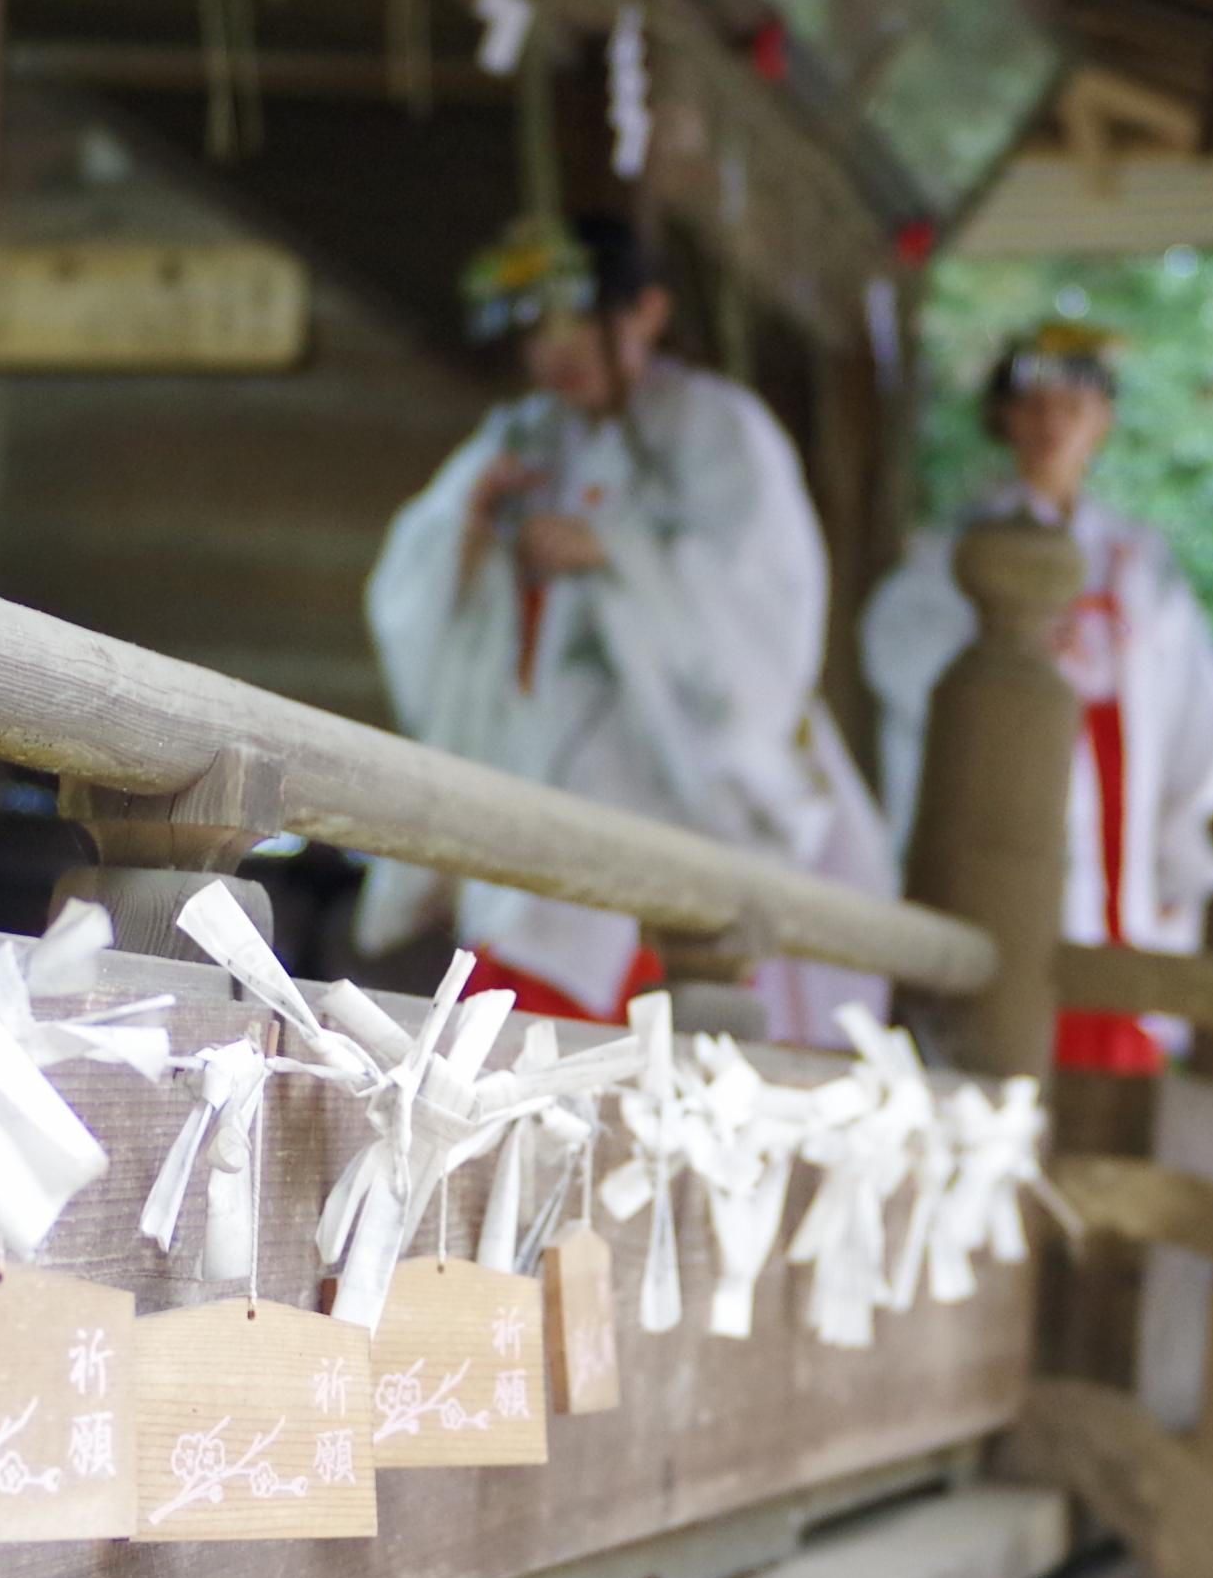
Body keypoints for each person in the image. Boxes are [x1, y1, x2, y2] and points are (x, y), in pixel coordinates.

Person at [359, 215, 890, 1043]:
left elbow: (760, 612)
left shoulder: (716, 427)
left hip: (662, 781)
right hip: (531, 767)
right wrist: (468, 527)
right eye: (535, 326)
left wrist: (612, 554)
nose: (555, 346)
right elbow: (410, 585)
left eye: (578, 318)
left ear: (645, 310)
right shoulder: (520, 436)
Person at [863, 318, 1213, 1075]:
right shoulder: (952, 546)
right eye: (1035, 405)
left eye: (1073, 408)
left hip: (1124, 812)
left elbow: (1191, 713)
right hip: (1014, 797)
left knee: (1117, 996)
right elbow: (899, 654)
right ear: (1006, 417)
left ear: (1101, 421)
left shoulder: (1138, 559)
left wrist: (1190, 848)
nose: (1052, 425)